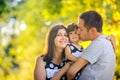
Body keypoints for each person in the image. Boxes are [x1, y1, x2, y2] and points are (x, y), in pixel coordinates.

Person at [67, 10, 116, 80]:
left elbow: (71, 72)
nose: (77, 32)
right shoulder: (107, 41)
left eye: (80, 29)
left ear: (93, 31)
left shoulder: (98, 44)